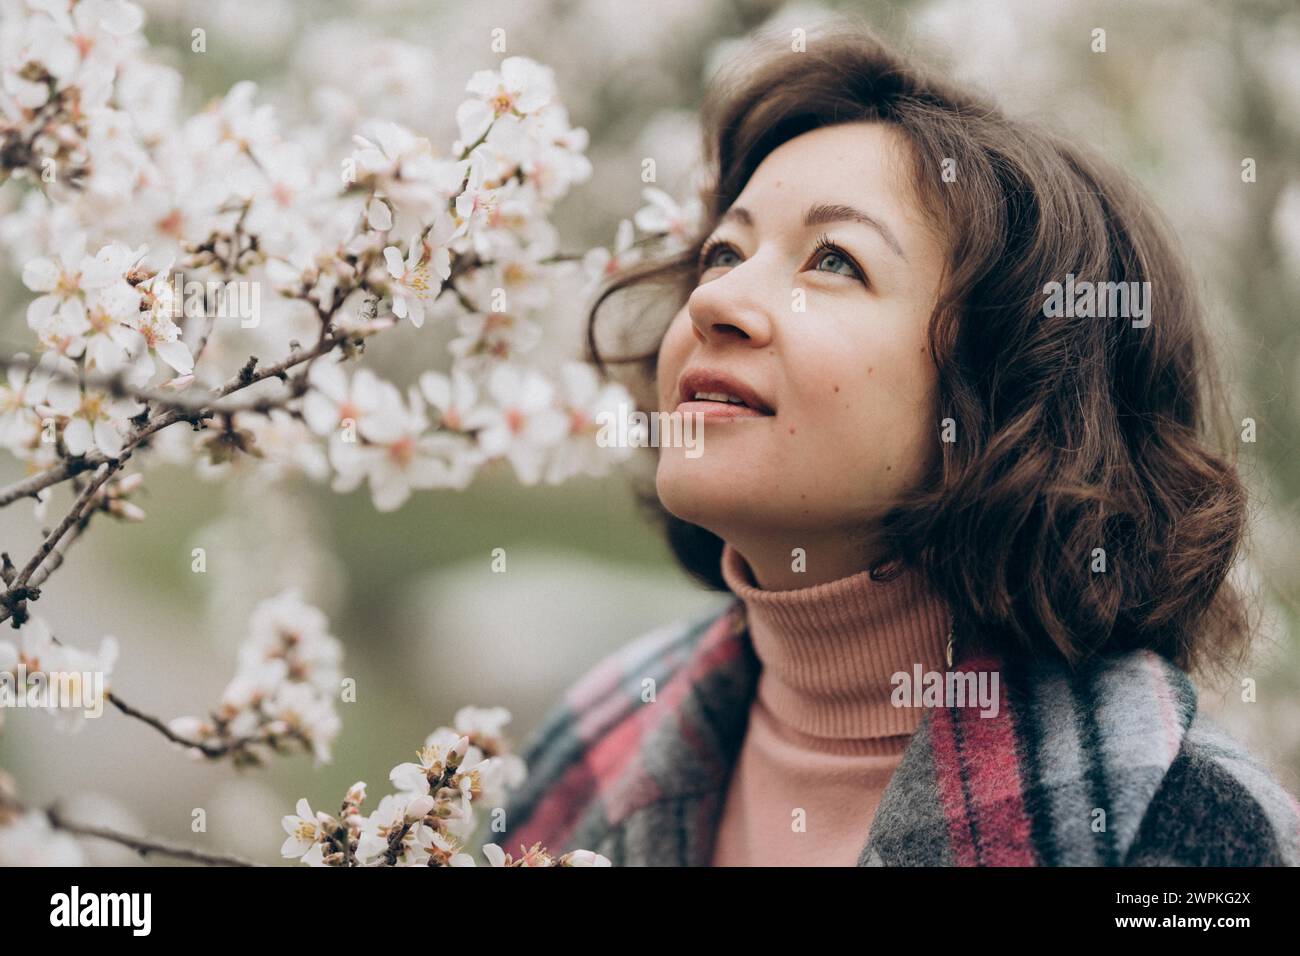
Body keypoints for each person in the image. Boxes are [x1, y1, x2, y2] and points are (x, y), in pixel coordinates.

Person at [494, 21, 1300, 866]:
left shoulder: (1191, 833)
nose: (714, 301)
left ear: (1010, 394)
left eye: (834, 261)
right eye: (722, 251)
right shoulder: (590, 747)